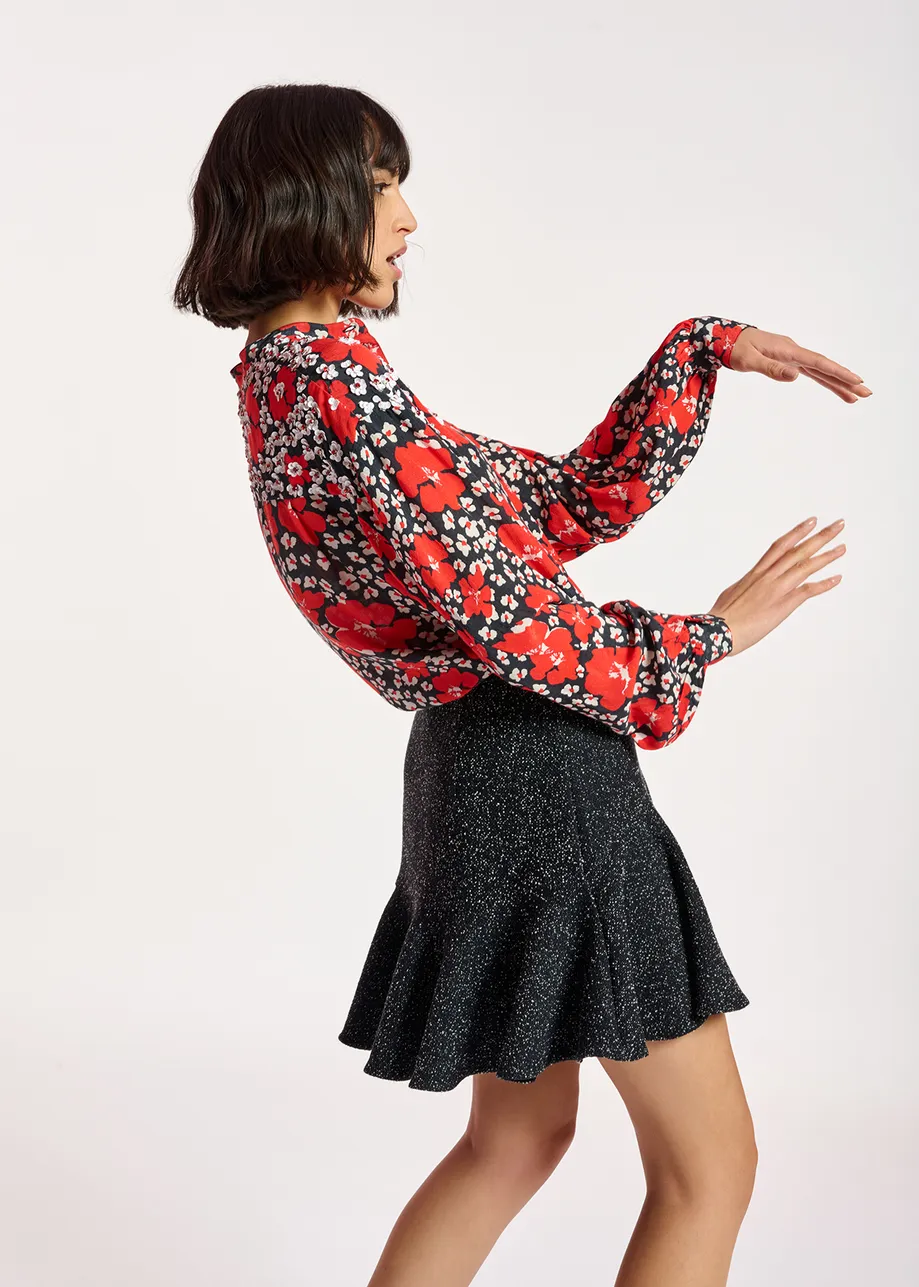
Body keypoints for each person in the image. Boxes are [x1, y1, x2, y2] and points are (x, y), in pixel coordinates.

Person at [173, 82, 871, 1287]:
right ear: (312, 195)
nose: (406, 220)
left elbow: (547, 511)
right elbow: (512, 613)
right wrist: (713, 632)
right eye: (384, 182)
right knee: (712, 1169)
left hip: (465, 773)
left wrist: (701, 353)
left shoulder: (283, 382)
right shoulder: (344, 387)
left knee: (512, 1143)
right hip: (544, 778)